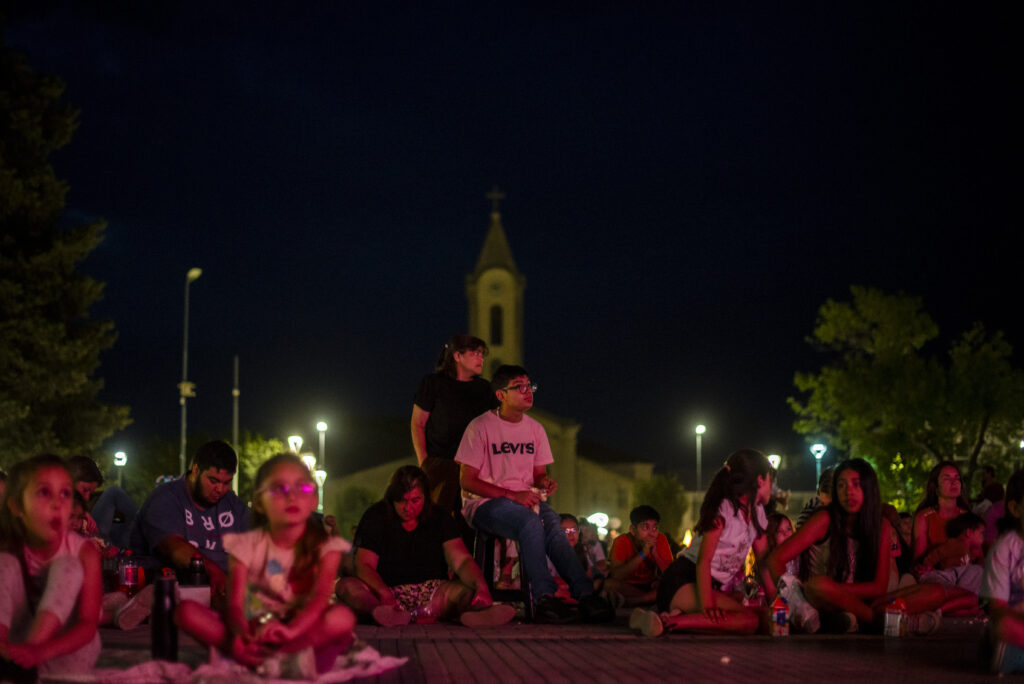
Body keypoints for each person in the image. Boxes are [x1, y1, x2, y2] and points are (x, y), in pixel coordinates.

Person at [455, 364, 612, 623]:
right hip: (485, 504)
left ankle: (585, 595)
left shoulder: (535, 429)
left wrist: (545, 482)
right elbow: (467, 481)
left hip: (526, 501)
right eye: (519, 387)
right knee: (530, 522)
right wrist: (511, 495)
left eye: (530, 386)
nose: (528, 391)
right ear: (501, 395)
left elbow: (539, 474)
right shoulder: (480, 426)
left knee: (553, 524)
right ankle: (543, 598)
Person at [176, 453, 354, 675]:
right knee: (185, 611)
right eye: (280, 489)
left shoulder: (325, 548)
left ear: (313, 499)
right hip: (255, 630)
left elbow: (319, 600)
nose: (292, 497)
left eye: (303, 488)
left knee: (342, 617)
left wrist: (290, 632)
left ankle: (281, 657)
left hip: (300, 631)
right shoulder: (245, 546)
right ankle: (251, 655)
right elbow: (236, 605)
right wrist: (242, 634)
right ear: (260, 502)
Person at [766, 458, 946, 634]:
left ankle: (858, 621)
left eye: (856, 484)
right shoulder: (824, 519)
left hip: (865, 601)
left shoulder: (881, 526)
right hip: (826, 599)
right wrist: (796, 600)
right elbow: (776, 559)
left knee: (936, 592)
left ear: (868, 488)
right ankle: (880, 622)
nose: (848, 492)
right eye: (841, 485)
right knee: (817, 586)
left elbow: (879, 587)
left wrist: (842, 592)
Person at [335, 465, 514, 627]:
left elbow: (461, 561)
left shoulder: (440, 517)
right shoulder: (375, 516)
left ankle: (480, 611)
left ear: (426, 497)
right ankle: (381, 613)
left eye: (415, 500)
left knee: (463, 592)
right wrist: (385, 595)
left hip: (432, 592)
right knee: (346, 586)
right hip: (385, 592)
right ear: (392, 499)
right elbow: (364, 565)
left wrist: (481, 587)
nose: (408, 508)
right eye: (402, 501)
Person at [630, 450, 775, 637]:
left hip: (711, 586)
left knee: (766, 618)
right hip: (685, 578)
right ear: (760, 480)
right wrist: (707, 607)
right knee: (750, 621)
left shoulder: (758, 513)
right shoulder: (724, 509)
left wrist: (775, 601)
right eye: (771, 479)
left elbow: (763, 562)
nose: (773, 486)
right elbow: (703, 561)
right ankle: (667, 622)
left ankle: (662, 616)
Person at [0, 455, 102, 680]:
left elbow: (88, 624)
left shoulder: (84, 552)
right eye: (44, 492)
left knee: (68, 566)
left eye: (65, 493)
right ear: (17, 506)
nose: (58, 503)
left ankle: (22, 665)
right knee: (5, 564)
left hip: (64, 657)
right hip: (13, 651)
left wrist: (38, 652)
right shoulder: (9, 547)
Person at [129, 440, 249, 607]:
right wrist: (216, 573)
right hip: (177, 587)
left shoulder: (232, 504)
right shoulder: (165, 498)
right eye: (213, 480)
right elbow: (175, 548)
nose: (220, 489)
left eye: (226, 483)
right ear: (196, 470)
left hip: (226, 589)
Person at [411, 334, 498, 512]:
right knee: (438, 516)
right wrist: (424, 463)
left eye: (482, 354)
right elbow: (418, 424)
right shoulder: (434, 384)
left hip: (475, 469)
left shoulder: (485, 389)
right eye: (475, 353)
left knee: (471, 518)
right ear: (457, 356)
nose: (481, 358)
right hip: (440, 464)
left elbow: (496, 427)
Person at [981, 469, 1024, 674]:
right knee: (1002, 626)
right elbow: (997, 610)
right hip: (1016, 623)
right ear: (1015, 508)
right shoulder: (1004, 549)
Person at [605, 505, 672, 606]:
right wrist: (643, 553)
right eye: (645, 527)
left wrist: (656, 554)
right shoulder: (621, 541)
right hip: (628, 586)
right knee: (609, 584)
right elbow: (617, 575)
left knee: (671, 586)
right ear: (633, 530)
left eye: (655, 528)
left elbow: (670, 574)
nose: (651, 533)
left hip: (650, 585)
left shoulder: (661, 539)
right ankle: (649, 599)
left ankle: (629, 601)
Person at [66, 456, 138, 550]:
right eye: (85, 490)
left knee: (128, 526)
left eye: (90, 493)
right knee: (113, 492)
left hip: (96, 536)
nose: (87, 498)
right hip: (91, 541)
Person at [912, 461, 970, 574]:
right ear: (936, 487)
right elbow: (918, 559)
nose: (954, 482)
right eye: (946, 478)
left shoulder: (967, 517)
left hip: (965, 573)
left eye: (957, 478)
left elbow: (977, 554)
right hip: (934, 574)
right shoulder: (924, 517)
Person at [917, 512, 984, 594]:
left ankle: (962, 595)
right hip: (947, 576)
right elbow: (936, 554)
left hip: (959, 580)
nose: (983, 537)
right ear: (969, 533)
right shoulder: (953, 544)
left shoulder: (971, 552)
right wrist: (927, 567)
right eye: (981, 533)